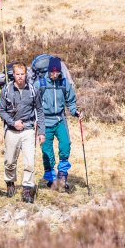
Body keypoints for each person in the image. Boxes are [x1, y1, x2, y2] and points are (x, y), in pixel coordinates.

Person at [0, 62, 45, 203]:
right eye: (17, 74)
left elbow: (39, 111)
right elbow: (1, 110)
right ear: (13, 75)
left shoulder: (33, 90)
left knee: (29, 161)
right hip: (11, 130)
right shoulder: (6, 90)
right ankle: (10, 182)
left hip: (28, 129)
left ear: (26, 74)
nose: (20, 77)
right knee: (10, 161)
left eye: (22, 74)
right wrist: (12, 122)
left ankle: (27, 189)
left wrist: (41, 131)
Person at [38, 56, 82, 192]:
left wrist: (75, 112)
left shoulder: (64, 83)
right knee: (47, 150)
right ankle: (51, 179)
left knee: (65, 144)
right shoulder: (40, 84)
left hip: (60, 119)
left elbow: (71, 101)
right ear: (48, 70)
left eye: (57, 72)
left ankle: (62, 175)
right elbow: (34, 101)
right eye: (52, 72)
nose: (54, 74)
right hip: (45, 120)